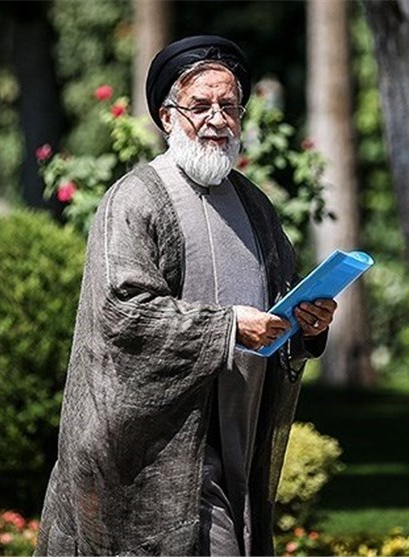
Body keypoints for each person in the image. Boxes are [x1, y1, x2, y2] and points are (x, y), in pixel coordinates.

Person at [34, 35, 337, 557]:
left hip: (237, 432)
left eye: (229, 106)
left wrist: (307, 324)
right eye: (200, 106)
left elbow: (276, 305)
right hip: (157, 451)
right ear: (167, 116)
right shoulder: (135, 198)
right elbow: (124, 315)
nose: (217, 120)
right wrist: (227, 327)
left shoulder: (256, 206)